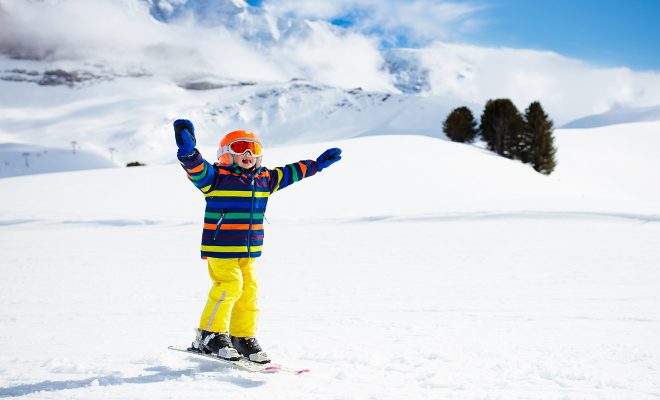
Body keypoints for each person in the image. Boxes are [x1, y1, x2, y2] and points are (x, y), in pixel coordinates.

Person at [174, 119, 342, 363]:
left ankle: (241, 337)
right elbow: (196, 168)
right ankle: (208, 335)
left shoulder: (264, 179)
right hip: (221, 247)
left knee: (248, 291)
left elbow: (289, 173)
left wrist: (315, 165)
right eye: (241, 146)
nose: (248, 153)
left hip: (249, 250)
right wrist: (189, 153)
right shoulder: (216, 178)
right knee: (229, 286)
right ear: (225, 155)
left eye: (254, 148)